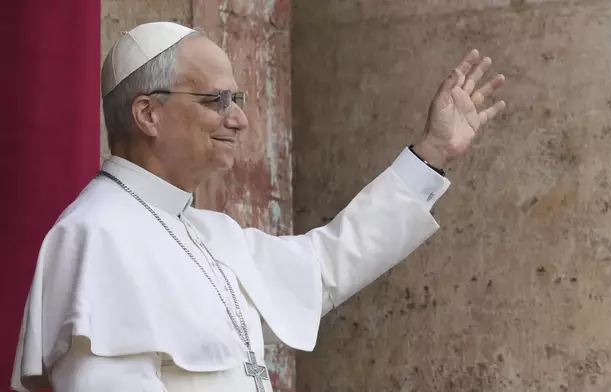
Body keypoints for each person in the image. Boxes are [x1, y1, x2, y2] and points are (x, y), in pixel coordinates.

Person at [10, 21, 506, 392]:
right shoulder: (96, 236)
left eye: (239, 98)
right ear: (148, 114)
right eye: (217, 100)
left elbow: (324, 266)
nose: (241, 119)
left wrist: (432, 155)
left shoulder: (208, 232)